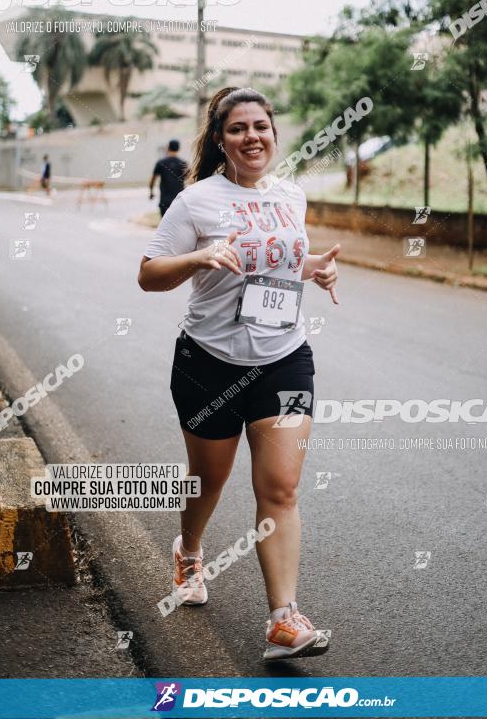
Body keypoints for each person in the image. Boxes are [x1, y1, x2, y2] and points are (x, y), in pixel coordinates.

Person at [138, 87, 340, 661]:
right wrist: (198, 258)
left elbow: (276, 261)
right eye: (237, 129)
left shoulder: (291, 196)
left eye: (261, 126)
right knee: (209, 479)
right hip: (208, 363)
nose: (252, 137)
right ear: (220, 140)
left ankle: (283, 618)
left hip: (285, 358)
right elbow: (149, 274)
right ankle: (190, 550)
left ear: (274, 134)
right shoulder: (196, 200)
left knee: (281, 487)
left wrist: (313, 268)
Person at [149, 139, 188, 217]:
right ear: (178, 148)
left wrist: (151, 192)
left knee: (164, 226)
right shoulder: (183, 163)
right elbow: (190, 180)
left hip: (165, 201)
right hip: (179, 201)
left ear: (168, 148)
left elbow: (153, 179)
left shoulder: (160, 162)